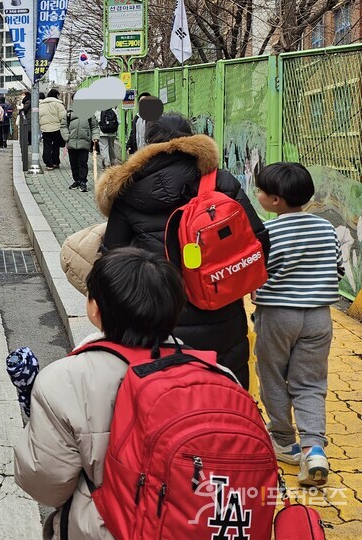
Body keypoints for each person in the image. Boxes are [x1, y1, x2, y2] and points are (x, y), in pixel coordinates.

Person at [15, 247, 187, 539]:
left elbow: (45, 483)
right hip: (191, 524)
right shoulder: (217, 373)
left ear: (95, 309)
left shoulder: (63, 379)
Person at [96, 113, 269, 389]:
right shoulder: (221, 181)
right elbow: (258, 240)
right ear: (192, 138)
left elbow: (112, 261)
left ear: (148, 142)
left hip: (155, 322)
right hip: (222, 313)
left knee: (169, 402)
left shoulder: (128, 189)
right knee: (227, 396)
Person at [251, 162, 341, 486]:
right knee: (310, 382)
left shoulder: (268, 232)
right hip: (318, 316)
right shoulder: (326, 228)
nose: (257, 193)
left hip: (277, 315)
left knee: (273, 376)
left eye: (260, 190)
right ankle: (315, 448)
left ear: (275, 201)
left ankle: (284, 441)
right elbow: (338, 270)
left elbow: (257, 272)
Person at [64, 100, 99, 192]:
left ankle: (83, 181)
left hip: (84, 142)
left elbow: (94, 127)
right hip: (71, 142)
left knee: (83, 163)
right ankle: (77, 180)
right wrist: (66, 136)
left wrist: (95, 137)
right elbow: (63, 126)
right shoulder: (68, 114)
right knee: (73, 163)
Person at [39, 89, 67, 170]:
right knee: (56, 146)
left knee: (47, 146)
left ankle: (48, 163)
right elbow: (63, 117)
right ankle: (55, 162)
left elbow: (38, 116)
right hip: (56, 128)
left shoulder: (41, 104)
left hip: (45, 129)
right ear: (56, 95)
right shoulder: (58, 104)